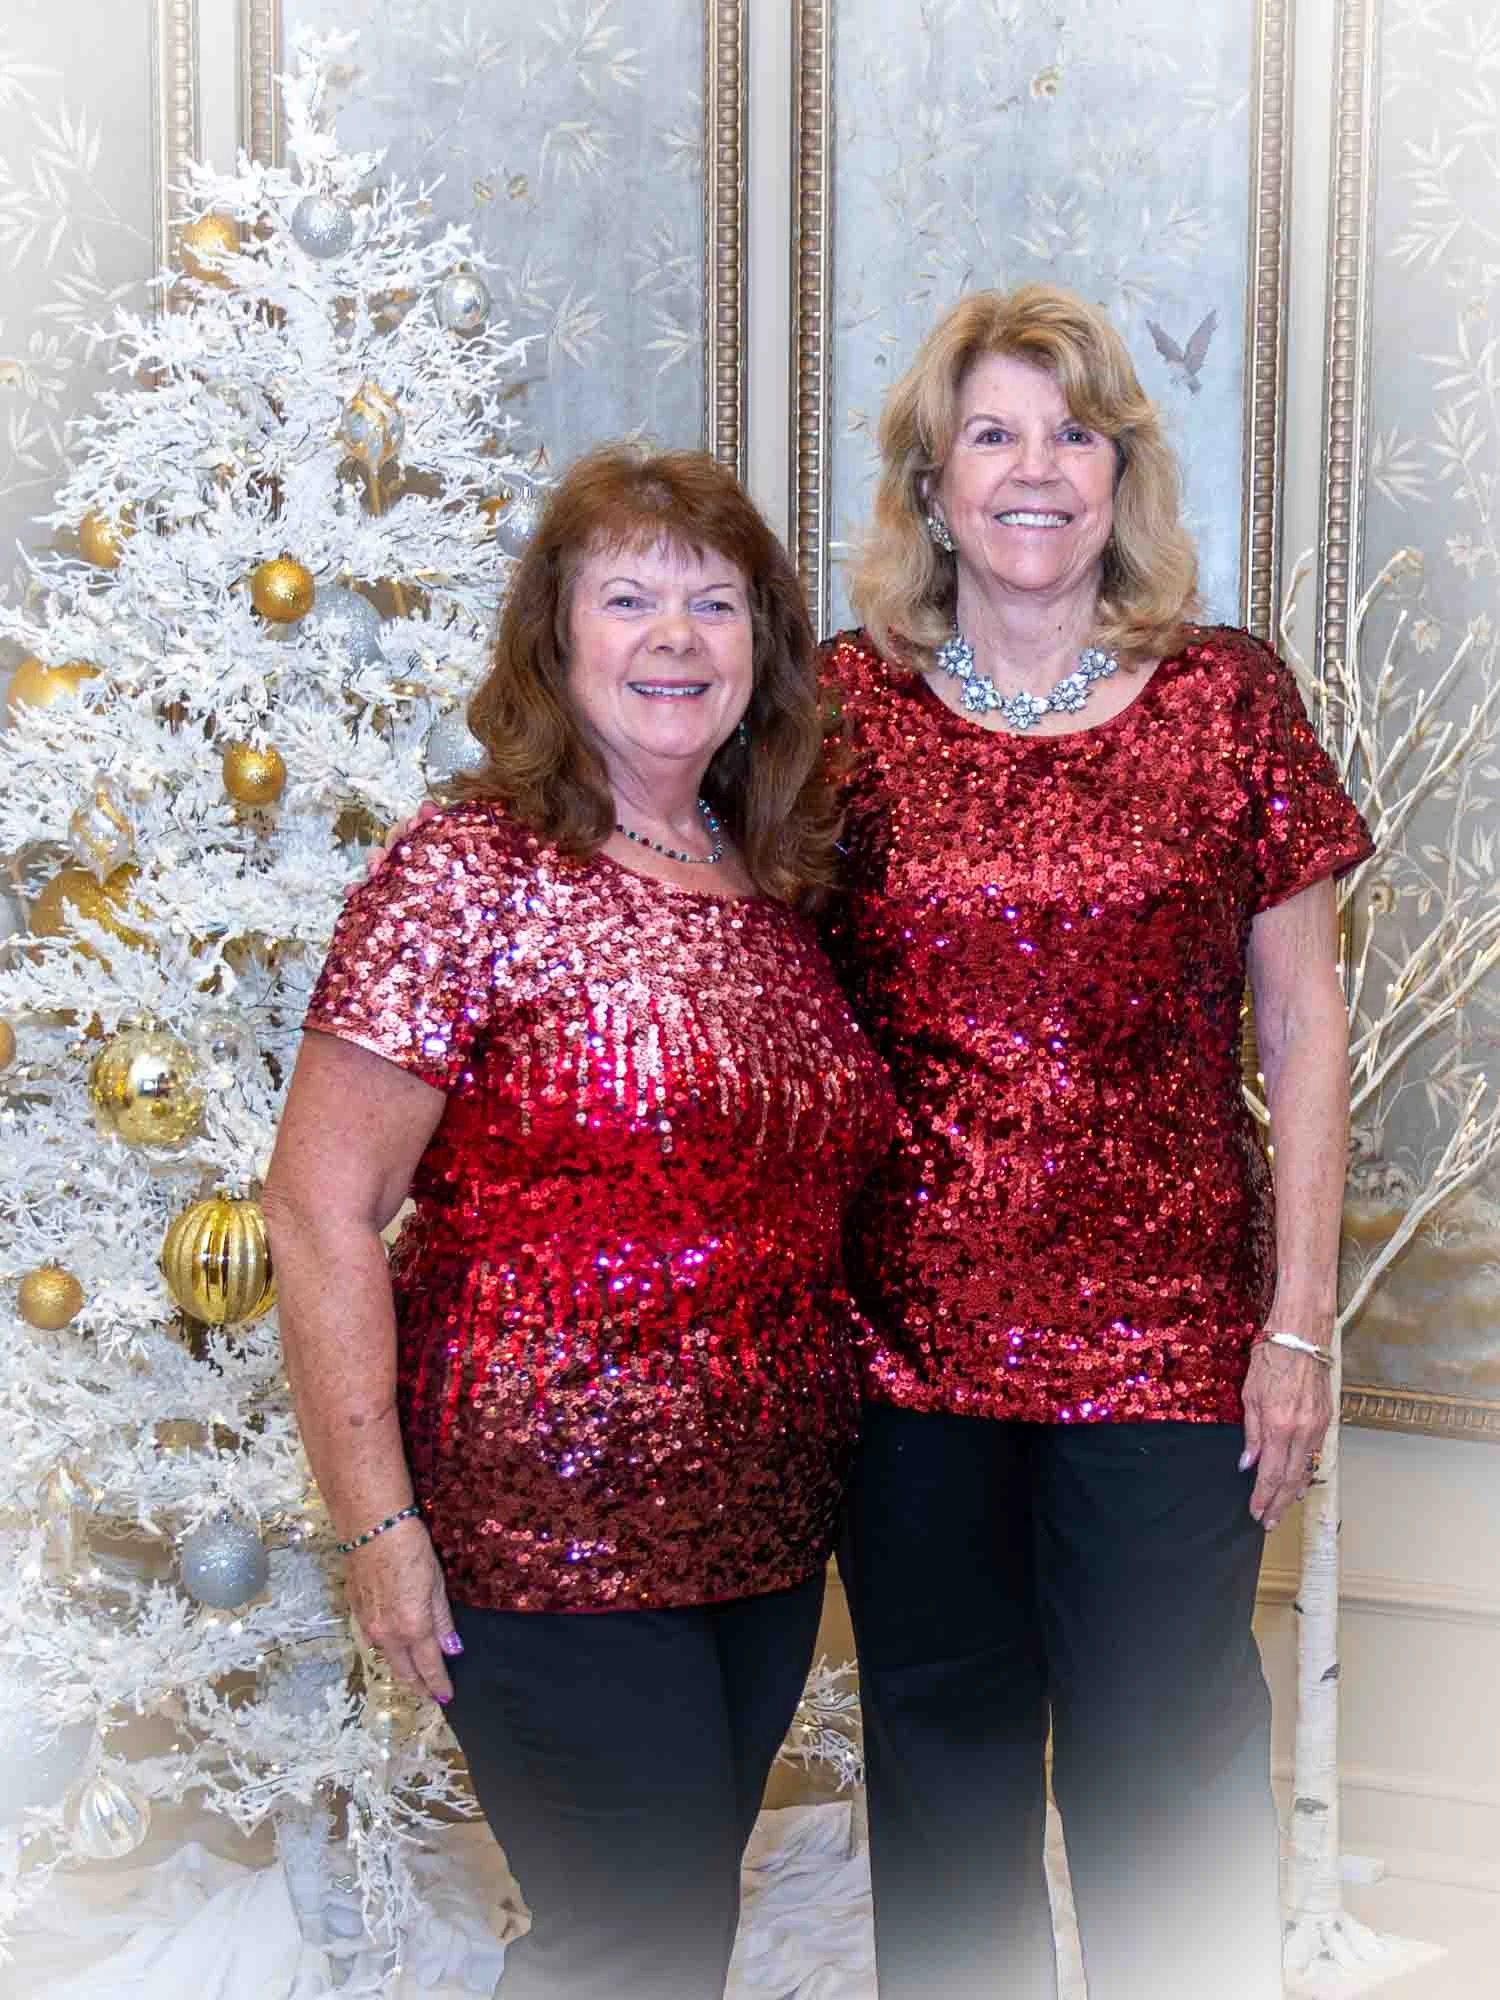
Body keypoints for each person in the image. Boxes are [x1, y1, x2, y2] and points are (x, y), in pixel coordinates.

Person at [263, 446, 894, 2000]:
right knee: (635, 1945)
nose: (675, 636)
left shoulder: (778, 888)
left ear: (762, 652)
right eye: (629, 599)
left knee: (667, 1941)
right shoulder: (465, 872)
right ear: (555, 640)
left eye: (714, 603)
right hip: (541, 1529)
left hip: (760, 1534)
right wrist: (378, 1528)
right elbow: (322, 1209)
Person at [819, 282, 1374, 2000]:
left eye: (1073, 434)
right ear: (932, 485)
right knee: (943, 1780)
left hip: (1169, 1353)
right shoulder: (841, 709)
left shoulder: (1225, 698)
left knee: (1169, 1782)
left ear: (1122, 474)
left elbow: (1304, 1027)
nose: (1035, 469)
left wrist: (1298, 1326)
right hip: (905, 1354)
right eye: (992, 434)